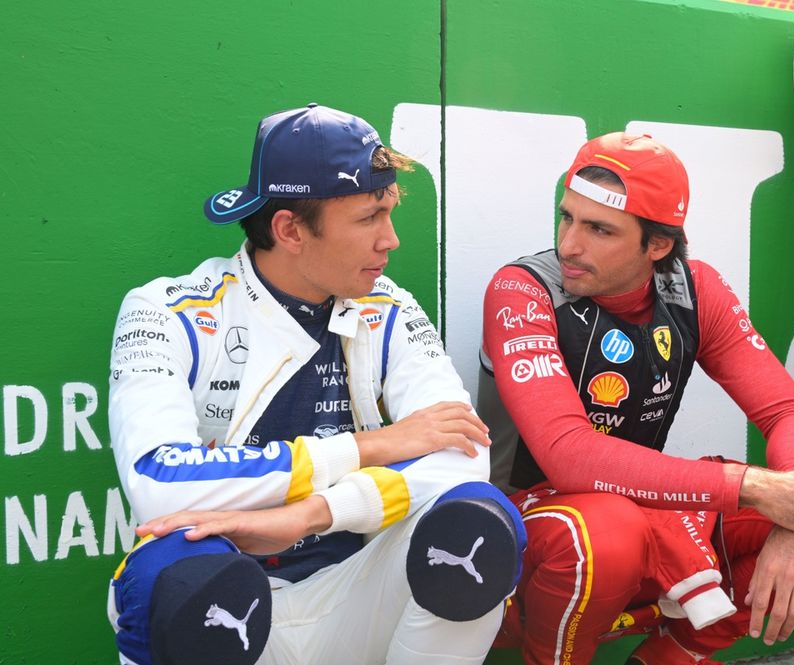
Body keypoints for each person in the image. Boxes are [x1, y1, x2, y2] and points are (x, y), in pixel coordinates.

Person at [106, 103, 524, 665]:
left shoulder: (390, 306)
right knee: (169, 573)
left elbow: (465, 453)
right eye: (369, 217)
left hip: (356, 593)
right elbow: (158, 482)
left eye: (389, 212)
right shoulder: (165, 310)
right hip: (226, 596)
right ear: (290, 230)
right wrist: (369, 447)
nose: (391, 240)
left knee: (478, 520)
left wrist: (311, 514)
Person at [477, 132, 794, 665]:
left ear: (658, 245)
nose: (569, 245)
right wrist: (753, 487)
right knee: (608, 532)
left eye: (599, 229)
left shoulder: (695, 288)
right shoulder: (521, 290)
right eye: (567, 218)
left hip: (638, 511)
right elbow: (567, 454)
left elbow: (788, 412)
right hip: (525, 531)